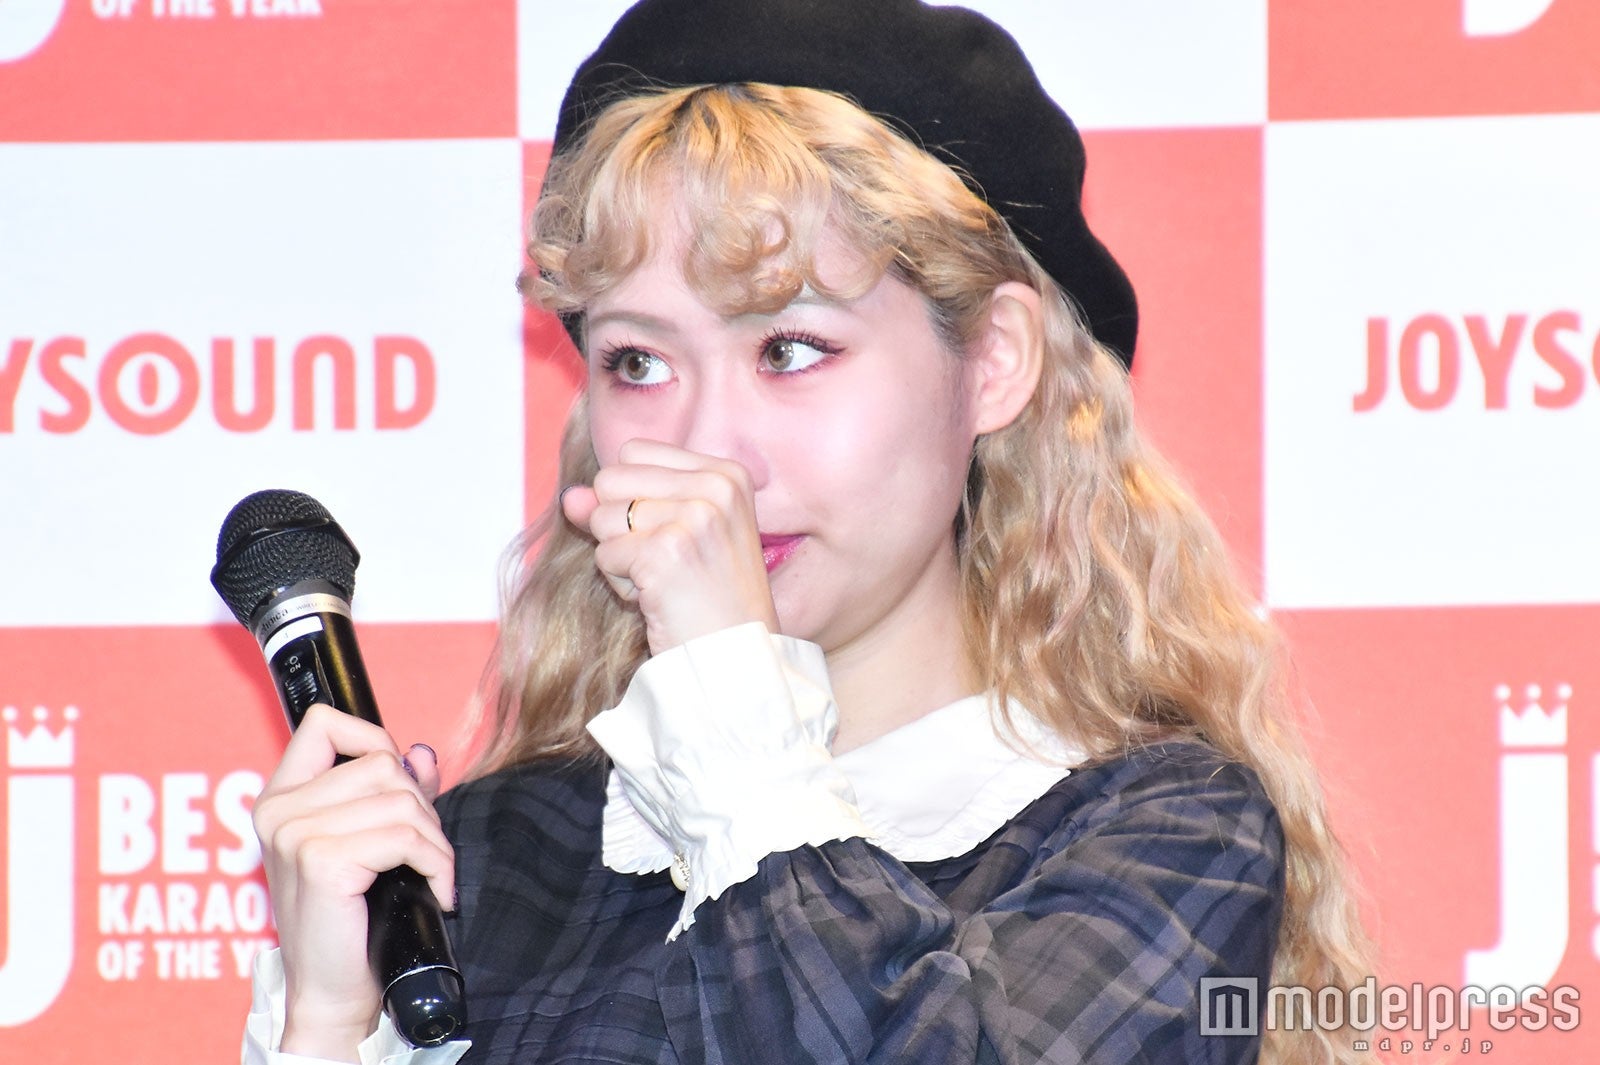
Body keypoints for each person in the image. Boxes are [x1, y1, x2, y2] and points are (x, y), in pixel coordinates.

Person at [243, 2, 1371, 1063]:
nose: (708, 453)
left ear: (993, 362)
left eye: (788, 350)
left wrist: (732, 706)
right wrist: (334, 1023)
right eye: (637, 361)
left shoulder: (1161, 832)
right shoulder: (485, 856)